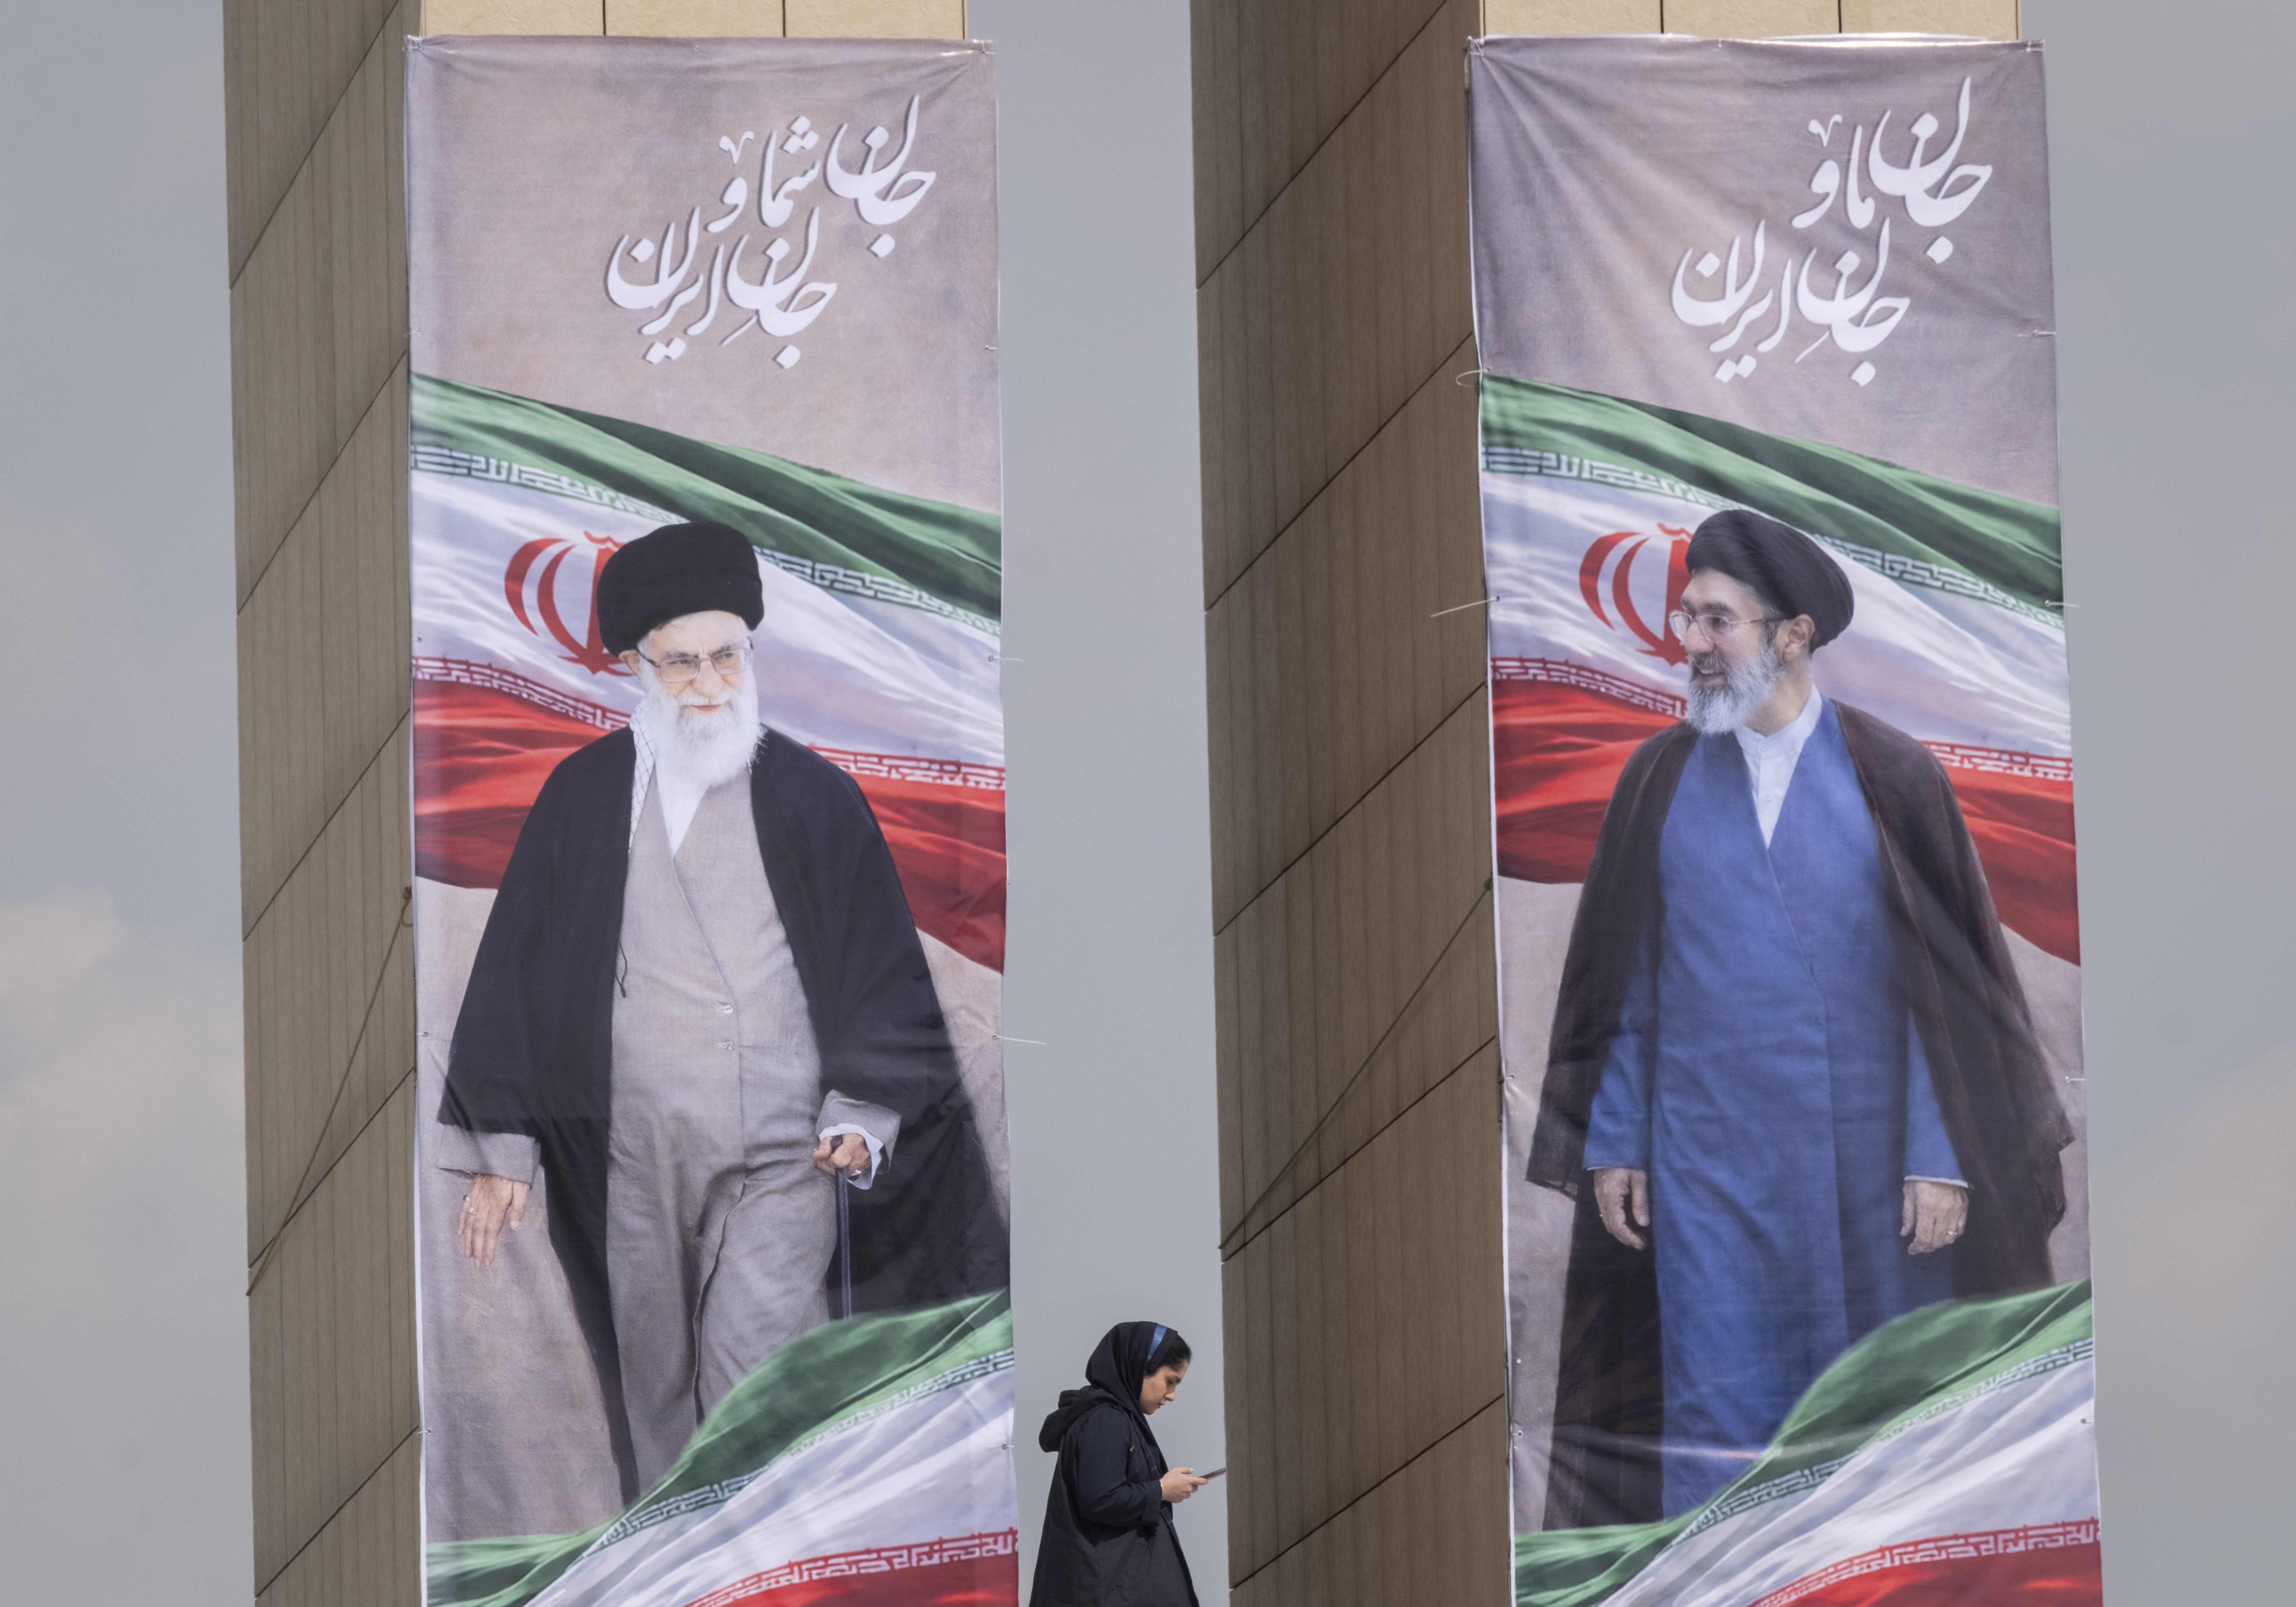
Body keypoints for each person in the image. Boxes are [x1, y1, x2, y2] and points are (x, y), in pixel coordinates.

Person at [434, 521, 1006, 1498]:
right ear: (632, 666)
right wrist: (501, 1155)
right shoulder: (580, 798)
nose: (710, 683)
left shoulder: (815, 797)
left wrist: (862, 1116)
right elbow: (518, 972)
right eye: (683, 662)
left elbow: (879, 970)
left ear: (752, 651)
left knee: (758, 1375)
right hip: (630, 1157)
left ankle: (770, 1580)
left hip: (784, 1151)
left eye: (728, 655)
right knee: (654, 1391)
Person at [1527, 509, 2074, 1525]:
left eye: (1717, 622)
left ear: (1791, 634)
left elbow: (1941, 997)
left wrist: (1937, 1154)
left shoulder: (1891, 777)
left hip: (1869, 1168)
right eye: (1687, 618)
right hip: (1708, 1169)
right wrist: (1613, 1145)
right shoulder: (1657, 779)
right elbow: (1631, 985)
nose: (1690, 643)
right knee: (1717, 1412)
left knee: (1869, 1417)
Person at [1031, 1322, 1207, 1607]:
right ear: (1142, 1367)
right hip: (1104, 1593)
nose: (1172, 1395)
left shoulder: (1111, 1418)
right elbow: (1101, 1499)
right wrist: (1161, 1489)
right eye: (1170, 1381)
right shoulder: (1106, 1419)